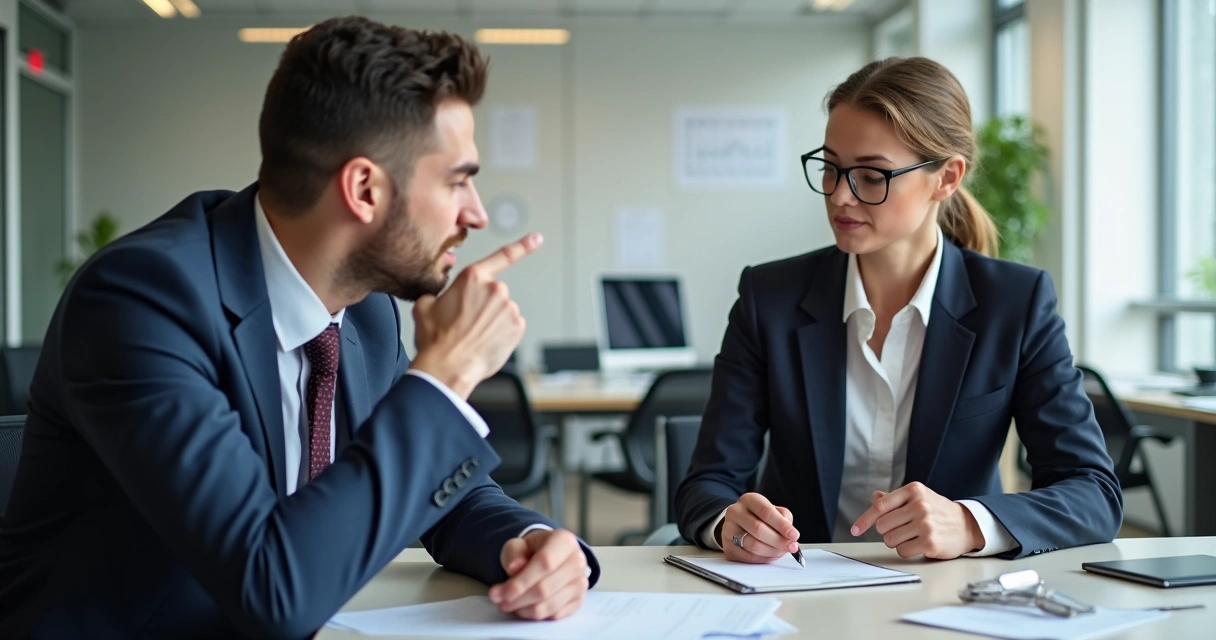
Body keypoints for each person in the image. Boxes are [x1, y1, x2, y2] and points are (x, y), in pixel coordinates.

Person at [0, 17, 597, 639]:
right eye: (458, 180)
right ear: (364, 188)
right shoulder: (142, 301)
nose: (475, 213)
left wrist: (529, 542)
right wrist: (445, 376)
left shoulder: (365, 311)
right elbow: (271, 589)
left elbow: (442, 493)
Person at [674, 56, 1122, 564]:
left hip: (946, 598)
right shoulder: (769, 297)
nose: (840, 195)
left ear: (946, 177)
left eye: (871, 175)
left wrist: (972, 524)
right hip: (797, 591)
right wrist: (729, 524)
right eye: (830, 167)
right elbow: (706, 484)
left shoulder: (1014, 304)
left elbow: (1093, 493)